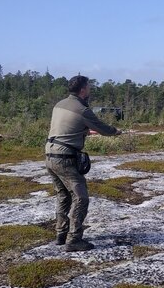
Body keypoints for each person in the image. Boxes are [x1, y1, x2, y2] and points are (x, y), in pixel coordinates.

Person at [45, 75, 123, 252]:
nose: (90, 89)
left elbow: (67, 128)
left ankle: (61, 234)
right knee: (81, 198)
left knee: (63, 195)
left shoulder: (59, 105)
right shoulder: (82, 109)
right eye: (88, 87)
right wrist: (116, 132)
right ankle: (74, 240)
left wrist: (82, 131)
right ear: (82, 90)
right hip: (65, 158)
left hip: (49, 155)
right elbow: (102, 128)